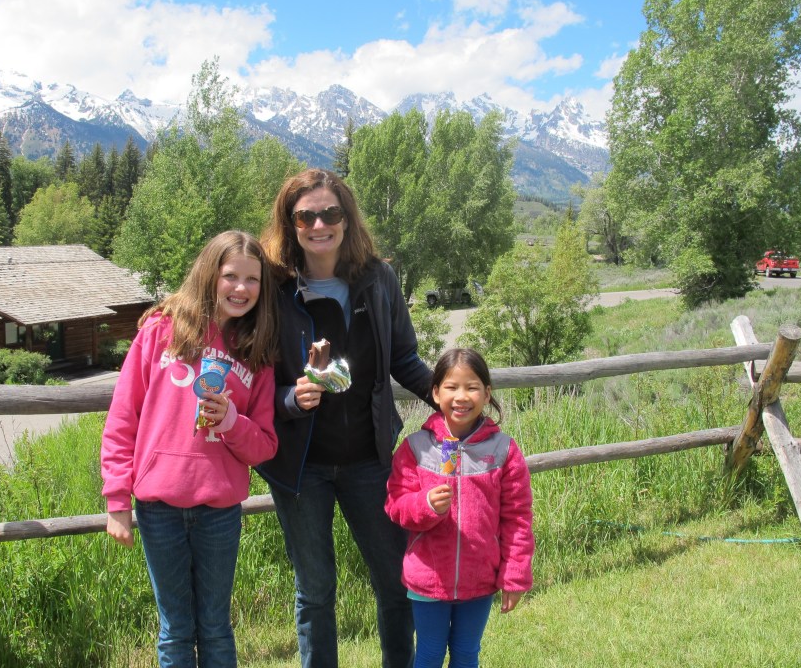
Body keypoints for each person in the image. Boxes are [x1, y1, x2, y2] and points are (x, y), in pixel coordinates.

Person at [257, 168, 434, 668]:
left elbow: (404, 358)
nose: (319, 225)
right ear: (289, 223)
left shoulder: (378, 280)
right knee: (315, 593)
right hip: (300, 466)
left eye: (330, 213)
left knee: (396, 580)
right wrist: (290, 399)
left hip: (370, 460)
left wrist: (449, 398)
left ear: (347, 218)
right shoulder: (272, 288)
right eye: (305, 216)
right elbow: (251, 380)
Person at [100, 230, 279, 668]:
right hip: (158, 507)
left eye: (252, 280)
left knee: (215, 626)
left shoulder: (256, 351)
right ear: (209, 274)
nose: (241, 288)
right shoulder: (161, 330)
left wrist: (233, 422)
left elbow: (264, 447)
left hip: (219, 511)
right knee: (175, 629)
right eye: (230, 276)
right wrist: (117, 500)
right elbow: (123, 418)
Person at [385, 348, 535, 668]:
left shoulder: (503, 450)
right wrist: (426, 505)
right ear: (436, 393)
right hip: (428, 578)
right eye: (451, 387)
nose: (462, 397)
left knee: (467, 652)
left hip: (478, 578)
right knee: (429, 653)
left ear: (487, 394)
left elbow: (517, 518)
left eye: (472, 387)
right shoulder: (416, 447)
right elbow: (395, 504)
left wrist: (515, 574)